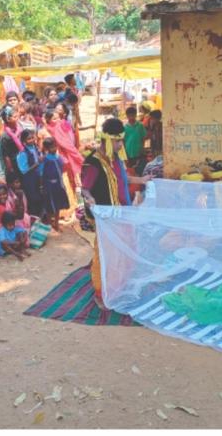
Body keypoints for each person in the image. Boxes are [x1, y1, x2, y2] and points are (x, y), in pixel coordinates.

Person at [81, 118, 151, 307]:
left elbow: (122, 179)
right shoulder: (93, 163)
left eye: (121, 141)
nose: (121, 145)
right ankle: (101, 292)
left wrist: (142, 180)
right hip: (107, 218)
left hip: (122, 213)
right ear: (107, 140)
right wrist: (90, 199)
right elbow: (85, 189)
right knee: (106, 254)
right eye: (118, 141)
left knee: (123, 249)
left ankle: (119, 285)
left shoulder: (115, 159)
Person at [44, 103, 83, 189]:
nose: (57, 120)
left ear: (64, 114)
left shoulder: (62, 124)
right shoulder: (48, 129)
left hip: (66, 152)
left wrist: (73, 150)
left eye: (58, 118)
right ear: (48, 120)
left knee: (72, 174)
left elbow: (67, 141)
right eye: (54, 119)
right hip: (59, 154)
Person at [40, 137, 70, 232]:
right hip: (49, 185)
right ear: (46, 148)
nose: (54, 149)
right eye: (52, 147)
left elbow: (61, 170)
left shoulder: (58, 157)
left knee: (58, 204)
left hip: (58, 185)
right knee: (49, 205)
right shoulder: (45, 159)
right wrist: (42, 185)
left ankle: (56, 223)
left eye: (55, 146)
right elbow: (41, 173)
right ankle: (50, 224)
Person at [16, 129, 44, 218]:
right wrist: (37, 163)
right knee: (33, 199)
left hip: (38, 177)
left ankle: (41, 216)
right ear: (24, 141)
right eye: (29, 139)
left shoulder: (36, 149)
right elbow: (24, 170)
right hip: (29, 180)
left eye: (32, 138)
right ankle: (34, 217)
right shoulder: (22, 154)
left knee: (40, 197)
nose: (32, 140)